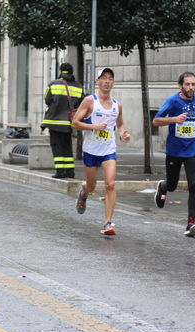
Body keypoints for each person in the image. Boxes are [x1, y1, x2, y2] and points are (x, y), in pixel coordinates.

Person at [152, 72, 195, 237]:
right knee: (172, 185)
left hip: (193, 149)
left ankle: (191, 223)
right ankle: (163, 186)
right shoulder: (173, 100)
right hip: (174, 150)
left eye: (193, 84)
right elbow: (156, 120)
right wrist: (174, 119)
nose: (191, 87)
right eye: (187, 84)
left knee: (194, 185)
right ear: (180, 85)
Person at [71, 68, 130, 235]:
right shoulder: (90, 101)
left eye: (110, 78)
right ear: (97, 81)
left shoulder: (117, 105)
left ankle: (108, 223)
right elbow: (75, 123)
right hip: (90, 150)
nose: (107, 81)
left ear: (113, 82)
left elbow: (119, 124)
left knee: (110, 185)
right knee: (92, 185)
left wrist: (123, 133)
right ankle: (84, 190)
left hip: (108, 150)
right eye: (103, 78)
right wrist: (93, 127)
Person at [41, 62, 85, 179]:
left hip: (54, 122)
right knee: (67, 146)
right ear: (71, 71)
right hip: (69, 123)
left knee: (57, 146)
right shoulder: (78, 86)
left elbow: (47, 100)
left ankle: (60, 171)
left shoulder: (53, 84)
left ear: (60, 71)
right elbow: (81, 103)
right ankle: (70, 171)